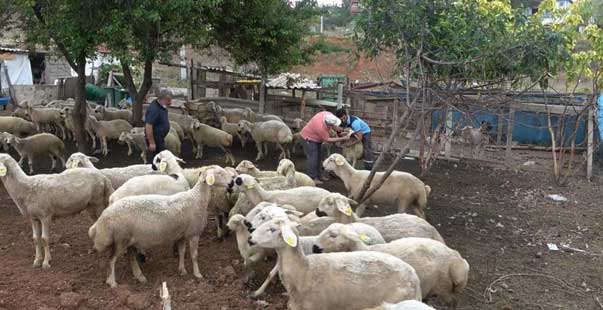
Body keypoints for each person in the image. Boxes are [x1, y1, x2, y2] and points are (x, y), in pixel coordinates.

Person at [300, 111, 352, 185]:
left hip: (317, 139)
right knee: (313, 158)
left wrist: (343, 130)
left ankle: (319, 175)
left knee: (319, 157)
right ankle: (312, 178)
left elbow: (333, 126)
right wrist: (343, 138)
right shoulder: (320, 127)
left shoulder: (327, 114)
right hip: (308, 139)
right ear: (328, 123)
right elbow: (328, 139)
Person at [145, 90, 172, 170]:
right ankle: (155, 173)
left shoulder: (161, 105)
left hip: (159, 137)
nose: (170, 102)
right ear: (162, 99)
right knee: (159, 158)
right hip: (155, 138)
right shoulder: (154, 109)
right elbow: (148, 126)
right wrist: (152, 143)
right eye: (168, 100)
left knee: (161, 157)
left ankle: (159, 172)